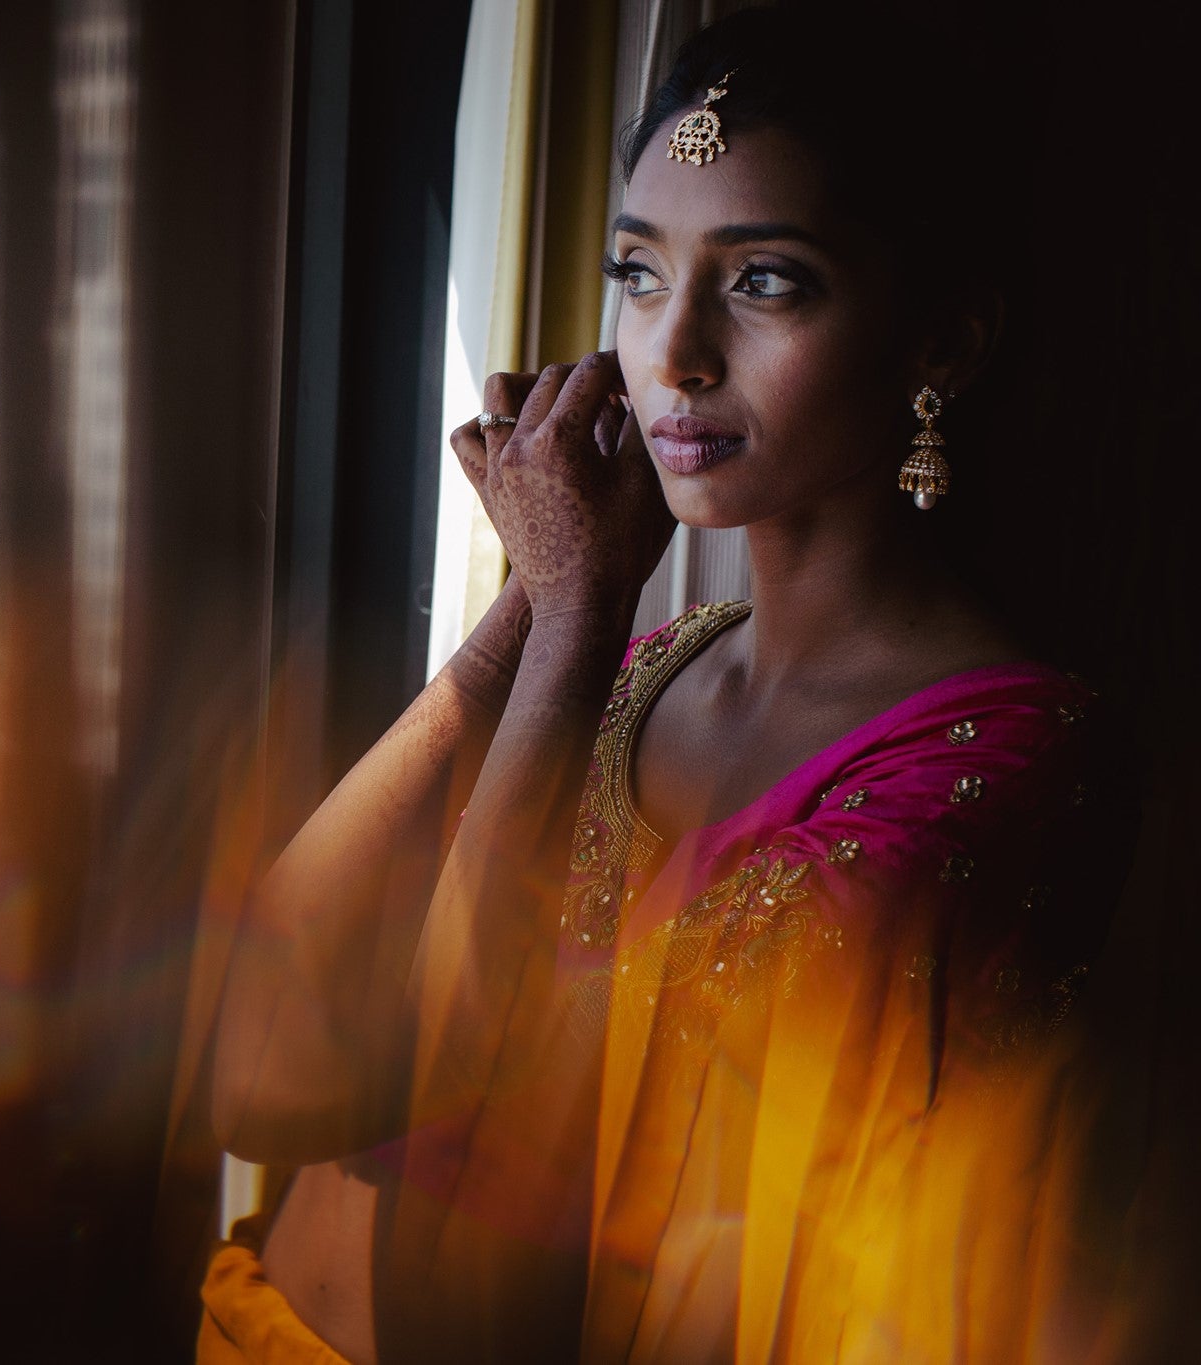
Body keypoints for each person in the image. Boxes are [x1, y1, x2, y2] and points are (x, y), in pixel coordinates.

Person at [199, 7, 1137, 1362]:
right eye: (638, 275)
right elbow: (262, 1068)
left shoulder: (1002, 765)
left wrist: (576, 617)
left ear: (944, 340)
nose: (675, 354)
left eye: (766, 282)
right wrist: (525, 619)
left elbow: (473, 1141)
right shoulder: (642, 674)